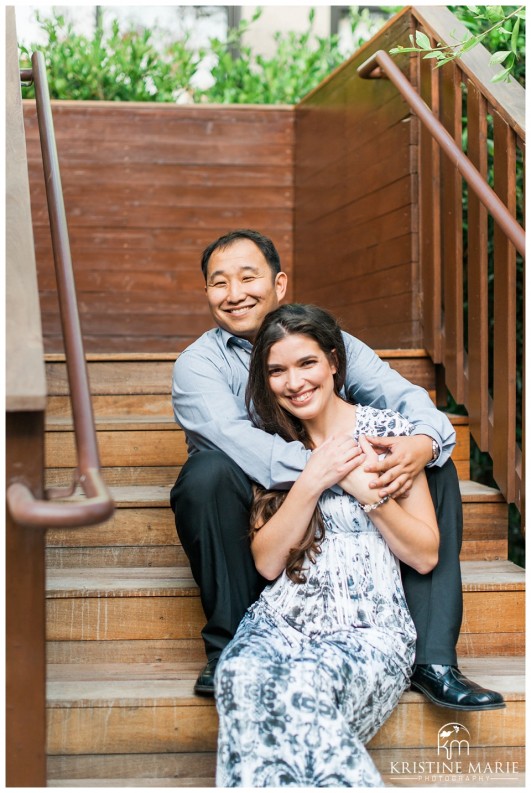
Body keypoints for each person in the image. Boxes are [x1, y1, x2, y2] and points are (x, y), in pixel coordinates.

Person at [170, 228, 504, 711]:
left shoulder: (327, 339)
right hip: (250, 486)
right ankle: (229, 646)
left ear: (279, 284)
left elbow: (403, 397)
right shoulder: (198, 364)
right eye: (219, 283)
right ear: (207, 294)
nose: (235, 293)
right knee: (206, 475)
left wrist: (423, 443)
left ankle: (433, 659)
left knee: (432, 466)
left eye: (248, 277)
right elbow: (243, 447)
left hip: (335, 467)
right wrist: (336, 466)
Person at [215, 303, 439, 786]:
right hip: (278, 624)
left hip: (368, 631)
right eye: (277, 370)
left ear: (334, 361)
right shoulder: (270, 445)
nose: (293, 382)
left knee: (302, 689)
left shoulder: (388, 436)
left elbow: (425, 553)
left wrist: (368, 494)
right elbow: (268, 562)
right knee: (238, 674)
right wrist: (311, 480)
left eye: (306, 363)